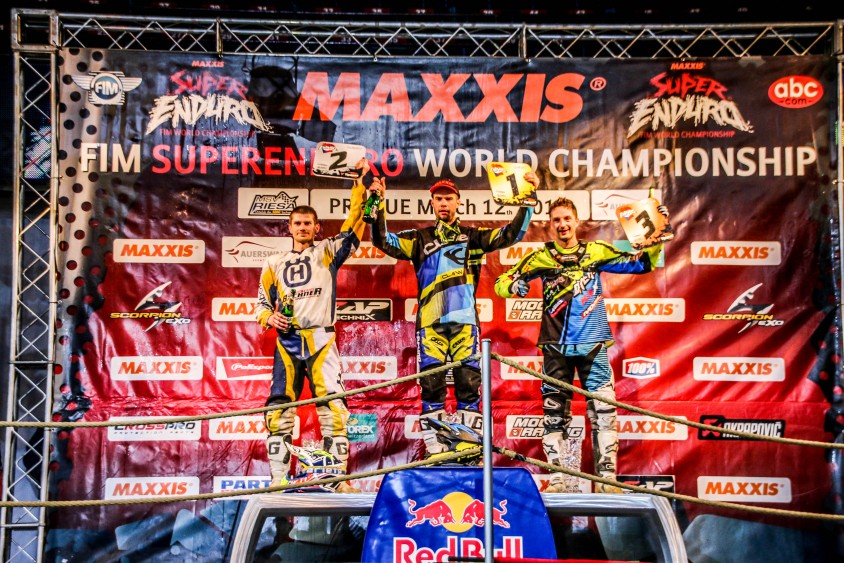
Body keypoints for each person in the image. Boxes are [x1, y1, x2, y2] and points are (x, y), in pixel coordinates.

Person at [494, 196, 671, 493]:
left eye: (567, 218)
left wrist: (654, 240)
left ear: (576, 221)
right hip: (555, 347)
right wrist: (513, 285)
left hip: (593, 345)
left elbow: (642, 264)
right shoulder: (541, 256)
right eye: (556, 220)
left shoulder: (596, 251)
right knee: (554, 415)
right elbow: (501, 283)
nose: (562, 224)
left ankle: (607, 480)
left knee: (604, 412)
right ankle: (558, 479)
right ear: (550, 225)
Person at [368, 173, 538, 458]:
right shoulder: (418, 239)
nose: (444, 203)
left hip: (465, 324)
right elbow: (382, 240)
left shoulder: (473, 237)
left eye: (448, 198)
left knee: (469, 388)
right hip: (430, 326)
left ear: (459, 202)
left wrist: (528, 200)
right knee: (431, 388)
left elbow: (511, 234)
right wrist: (378, 205)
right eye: (439, 199)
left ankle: (468, 448)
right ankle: (436, 450)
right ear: (432, 204)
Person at [256, 158, 369, 493]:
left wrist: (359, 186)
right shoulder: (273, 262)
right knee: (279, 409)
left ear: (317, 227)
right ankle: (278, 479)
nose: (303, 227)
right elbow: (261, 303)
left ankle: (337, 478)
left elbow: (353, 224)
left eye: (308, 223)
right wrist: (269, 318)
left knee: (333, 408)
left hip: (321, 339)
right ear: (289, 227)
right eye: (297, 223)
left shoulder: (327, 251)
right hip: (287, 342)